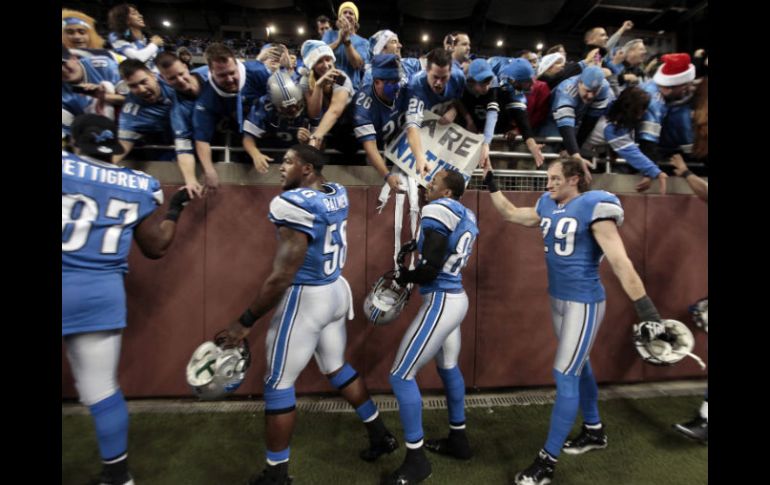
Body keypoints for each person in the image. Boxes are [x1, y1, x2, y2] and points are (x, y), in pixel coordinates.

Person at [223, 145, 398, 485]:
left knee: (277, 384)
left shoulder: (291, 203)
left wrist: (244, 321)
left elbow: (282, 276)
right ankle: (380, 434)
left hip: (307, 297)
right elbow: (321, 189)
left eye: (288, 162)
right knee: (336, 367)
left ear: (306, 169)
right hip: (335, 292)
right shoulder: (337, 192)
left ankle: (276, 475)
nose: (279, 167)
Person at [483, 159, 664, 485]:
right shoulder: (548, 206)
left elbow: (621, 262)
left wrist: (647, 310)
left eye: (555, 178)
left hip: (583, 303)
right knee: (579, 367)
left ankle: (546, 462)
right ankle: (594, 430)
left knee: (564, 373)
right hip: (559, 300)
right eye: (548, 177)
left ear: (574, 180)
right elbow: (511, 213)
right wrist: (491, 183)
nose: (548, 184)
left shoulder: (594, 205)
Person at [63, 114, 191, 485]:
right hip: (100, 292)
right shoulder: (137, 184)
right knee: (101, 389)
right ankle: (118, 477)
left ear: (76, 141)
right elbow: (155, 248)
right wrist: (175, 209)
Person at [383, 169, 479, 485]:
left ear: (447, 192)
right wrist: (416, 243)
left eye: (435, 183)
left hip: (441, 299)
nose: (428, 186)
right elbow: (442, 246)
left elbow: (430, 268)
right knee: (448, 367)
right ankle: (459, 439)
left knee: (400, 375)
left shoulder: (437, 209)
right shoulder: (466, 213)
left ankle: (416, 460)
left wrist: (402, 277)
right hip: (455, 297)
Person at [107, 3, 164, 69]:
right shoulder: (116, 36)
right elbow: (138, 59)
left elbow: (161, 63)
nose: (140, 16)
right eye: (134, 14)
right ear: (124, 19)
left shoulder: (150, 38)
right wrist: (154, 44)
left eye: (139, 13)